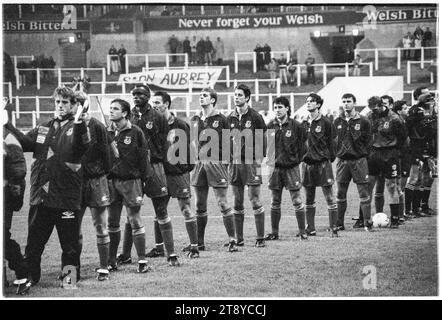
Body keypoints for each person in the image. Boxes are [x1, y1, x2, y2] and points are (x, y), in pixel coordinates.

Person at [6, 86, 90, 285]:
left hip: (65, 197)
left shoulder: (79, 127)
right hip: (41, 196)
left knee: (69, 246)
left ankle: (69, 279)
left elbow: (81, 145)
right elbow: (25, 143)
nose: (60, 106)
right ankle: (31, 278)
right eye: (57, 102)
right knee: (34, 245)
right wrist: (6, 124)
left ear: (74, 105)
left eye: (64, 103)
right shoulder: (44, 126)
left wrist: (79, 122)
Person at [117, 84, 179, 267]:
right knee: (131, 212)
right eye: (134, 94)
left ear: (148, 96)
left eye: (140, 94)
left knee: (161, 210)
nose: (136, 97)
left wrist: (163, 167)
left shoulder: (158, 117)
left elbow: (166, 144)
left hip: (154, 167)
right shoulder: (129, 116)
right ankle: (126, 254)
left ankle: (171, 254)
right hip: (134, 170)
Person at [151, 91, 199, 258]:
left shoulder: (180, 124)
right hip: (160, 174)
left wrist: (186, 169)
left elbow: (191, 149)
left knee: (185, 209)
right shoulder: (152, 125)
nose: (154, 105)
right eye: (153, 102)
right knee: (159, 210)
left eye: (157, 102)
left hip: (178, 174)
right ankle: (158, 248)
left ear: (166, 104)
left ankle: (194, 246)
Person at [106, 98, 151, 273]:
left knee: (134, 219)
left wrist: (144, 181)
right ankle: (111, 261)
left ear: (124, 113)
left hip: (131, 182)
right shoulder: (107, 131)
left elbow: (144, 159)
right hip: (111, 182)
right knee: (112, 221)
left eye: (115, 109)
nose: (111, 111)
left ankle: (142, 260)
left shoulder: (136, 132)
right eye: (110, 108)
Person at [190, 87, 237, 252]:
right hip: (199, 164)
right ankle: (199, 242)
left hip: (217, 163)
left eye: (205, 96)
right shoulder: (195, 119)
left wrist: (225, 163)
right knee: (199, 205)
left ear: (213, 100)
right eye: (200, 95)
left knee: (222, 203)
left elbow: (229, 143)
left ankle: (232, 240)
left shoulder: (221, 119)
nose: (201, 97)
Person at [75, 91, 112, 281]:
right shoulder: (68, 126)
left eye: (77, 103)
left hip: (96, 181)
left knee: (101, 226)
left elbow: (107, 155)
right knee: (73, 229)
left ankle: (104, 268)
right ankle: (73, 272)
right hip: (75, 182)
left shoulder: (97, 125)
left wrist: (103, 175)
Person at [227, 84, 267, 248]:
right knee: (237, 202)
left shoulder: (256, 117)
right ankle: (239, 238)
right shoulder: (229, 117)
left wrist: (259, 159)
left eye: (240, 95)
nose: (236, 97)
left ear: (247, 98)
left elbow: (264, 139)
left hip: (252, 163)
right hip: (235, 163)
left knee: (255, 200)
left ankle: (260, 238)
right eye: (235, 95)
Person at [264, 96, 308, 240]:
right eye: (275, 107)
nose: (277, 110)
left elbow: (303, 148)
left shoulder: (296, 126)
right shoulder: (270, 125)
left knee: (296, 200)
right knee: (275, 201)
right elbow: (267, 147)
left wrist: (294, 160)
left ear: (287, 108)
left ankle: (302, 231)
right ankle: (274, 233)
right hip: (275, 169)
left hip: (291, 168)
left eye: (280, 107)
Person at [364, 95, 407, 229]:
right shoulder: (369, 116)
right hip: (374, 154)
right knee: (368, 186)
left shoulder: (394, 118)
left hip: (390, 154)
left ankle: (395, 219)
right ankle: (364, 219)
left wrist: (394, 150)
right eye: (372, 109)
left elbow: (403, 137)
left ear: (382, 105)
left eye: (376, 108)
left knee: (392, 186)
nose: (373, 111)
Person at [301, 93, 339, 236]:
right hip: (307, 165)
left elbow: (334, 142)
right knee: (309, 198)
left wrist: (329, 158)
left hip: (323, 164)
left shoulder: (326, 122)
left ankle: (334, 227)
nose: (308, 103)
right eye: (307, 101)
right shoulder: (304, 123)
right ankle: (310, 228)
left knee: (329, 196)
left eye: (311, 101)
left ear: (318, 104)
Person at [334, 93, 373, 231]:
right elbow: (334, 141)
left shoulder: (364, 121)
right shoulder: (337, 120)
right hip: (342, 162)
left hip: (359, 160)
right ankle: (339, 223)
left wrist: (361, 155)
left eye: (348, 101)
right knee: (340, 193)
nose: (346, 104)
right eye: (344, 101)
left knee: (363, 192)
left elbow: (369, 142)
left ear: (354, 103)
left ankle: (367, 223)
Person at [3, 107, 31, 295]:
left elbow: (19, 167)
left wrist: (13, 190)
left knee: (2, 236)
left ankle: (22, 272)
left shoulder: (7, 137)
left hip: (4, 193)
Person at [405, 87, 437, 218]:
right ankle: (410, 209)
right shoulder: (414, 111)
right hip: (417, 149)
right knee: (415, 179)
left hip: (430, 148)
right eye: (425, 93)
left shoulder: (431, 108)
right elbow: (408, 131)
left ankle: (422, 206)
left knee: (428, 178)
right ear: (417, 96)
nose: (429, 94)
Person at [392, 100, 412, 222]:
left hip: (405, 156)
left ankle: (401, 213)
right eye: (405, 108)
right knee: (398, 186)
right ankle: (400, 214)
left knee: (401, 186)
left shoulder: (403, 121)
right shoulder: (397, 122)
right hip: (399, 157)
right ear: (399, 111)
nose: (407, 110)